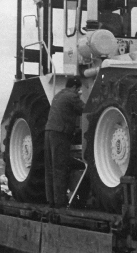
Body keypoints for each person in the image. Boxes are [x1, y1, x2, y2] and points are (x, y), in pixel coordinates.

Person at [45, 76, 85, 208]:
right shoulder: (71, 96)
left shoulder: (58, 95)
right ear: (74, 87)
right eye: (78, 90)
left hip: (49, 132)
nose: (78, 93)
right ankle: (60, 202)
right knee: (60, 167)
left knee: (51, 168)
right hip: (60, 133)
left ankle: (51, 200)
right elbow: (85, 110)